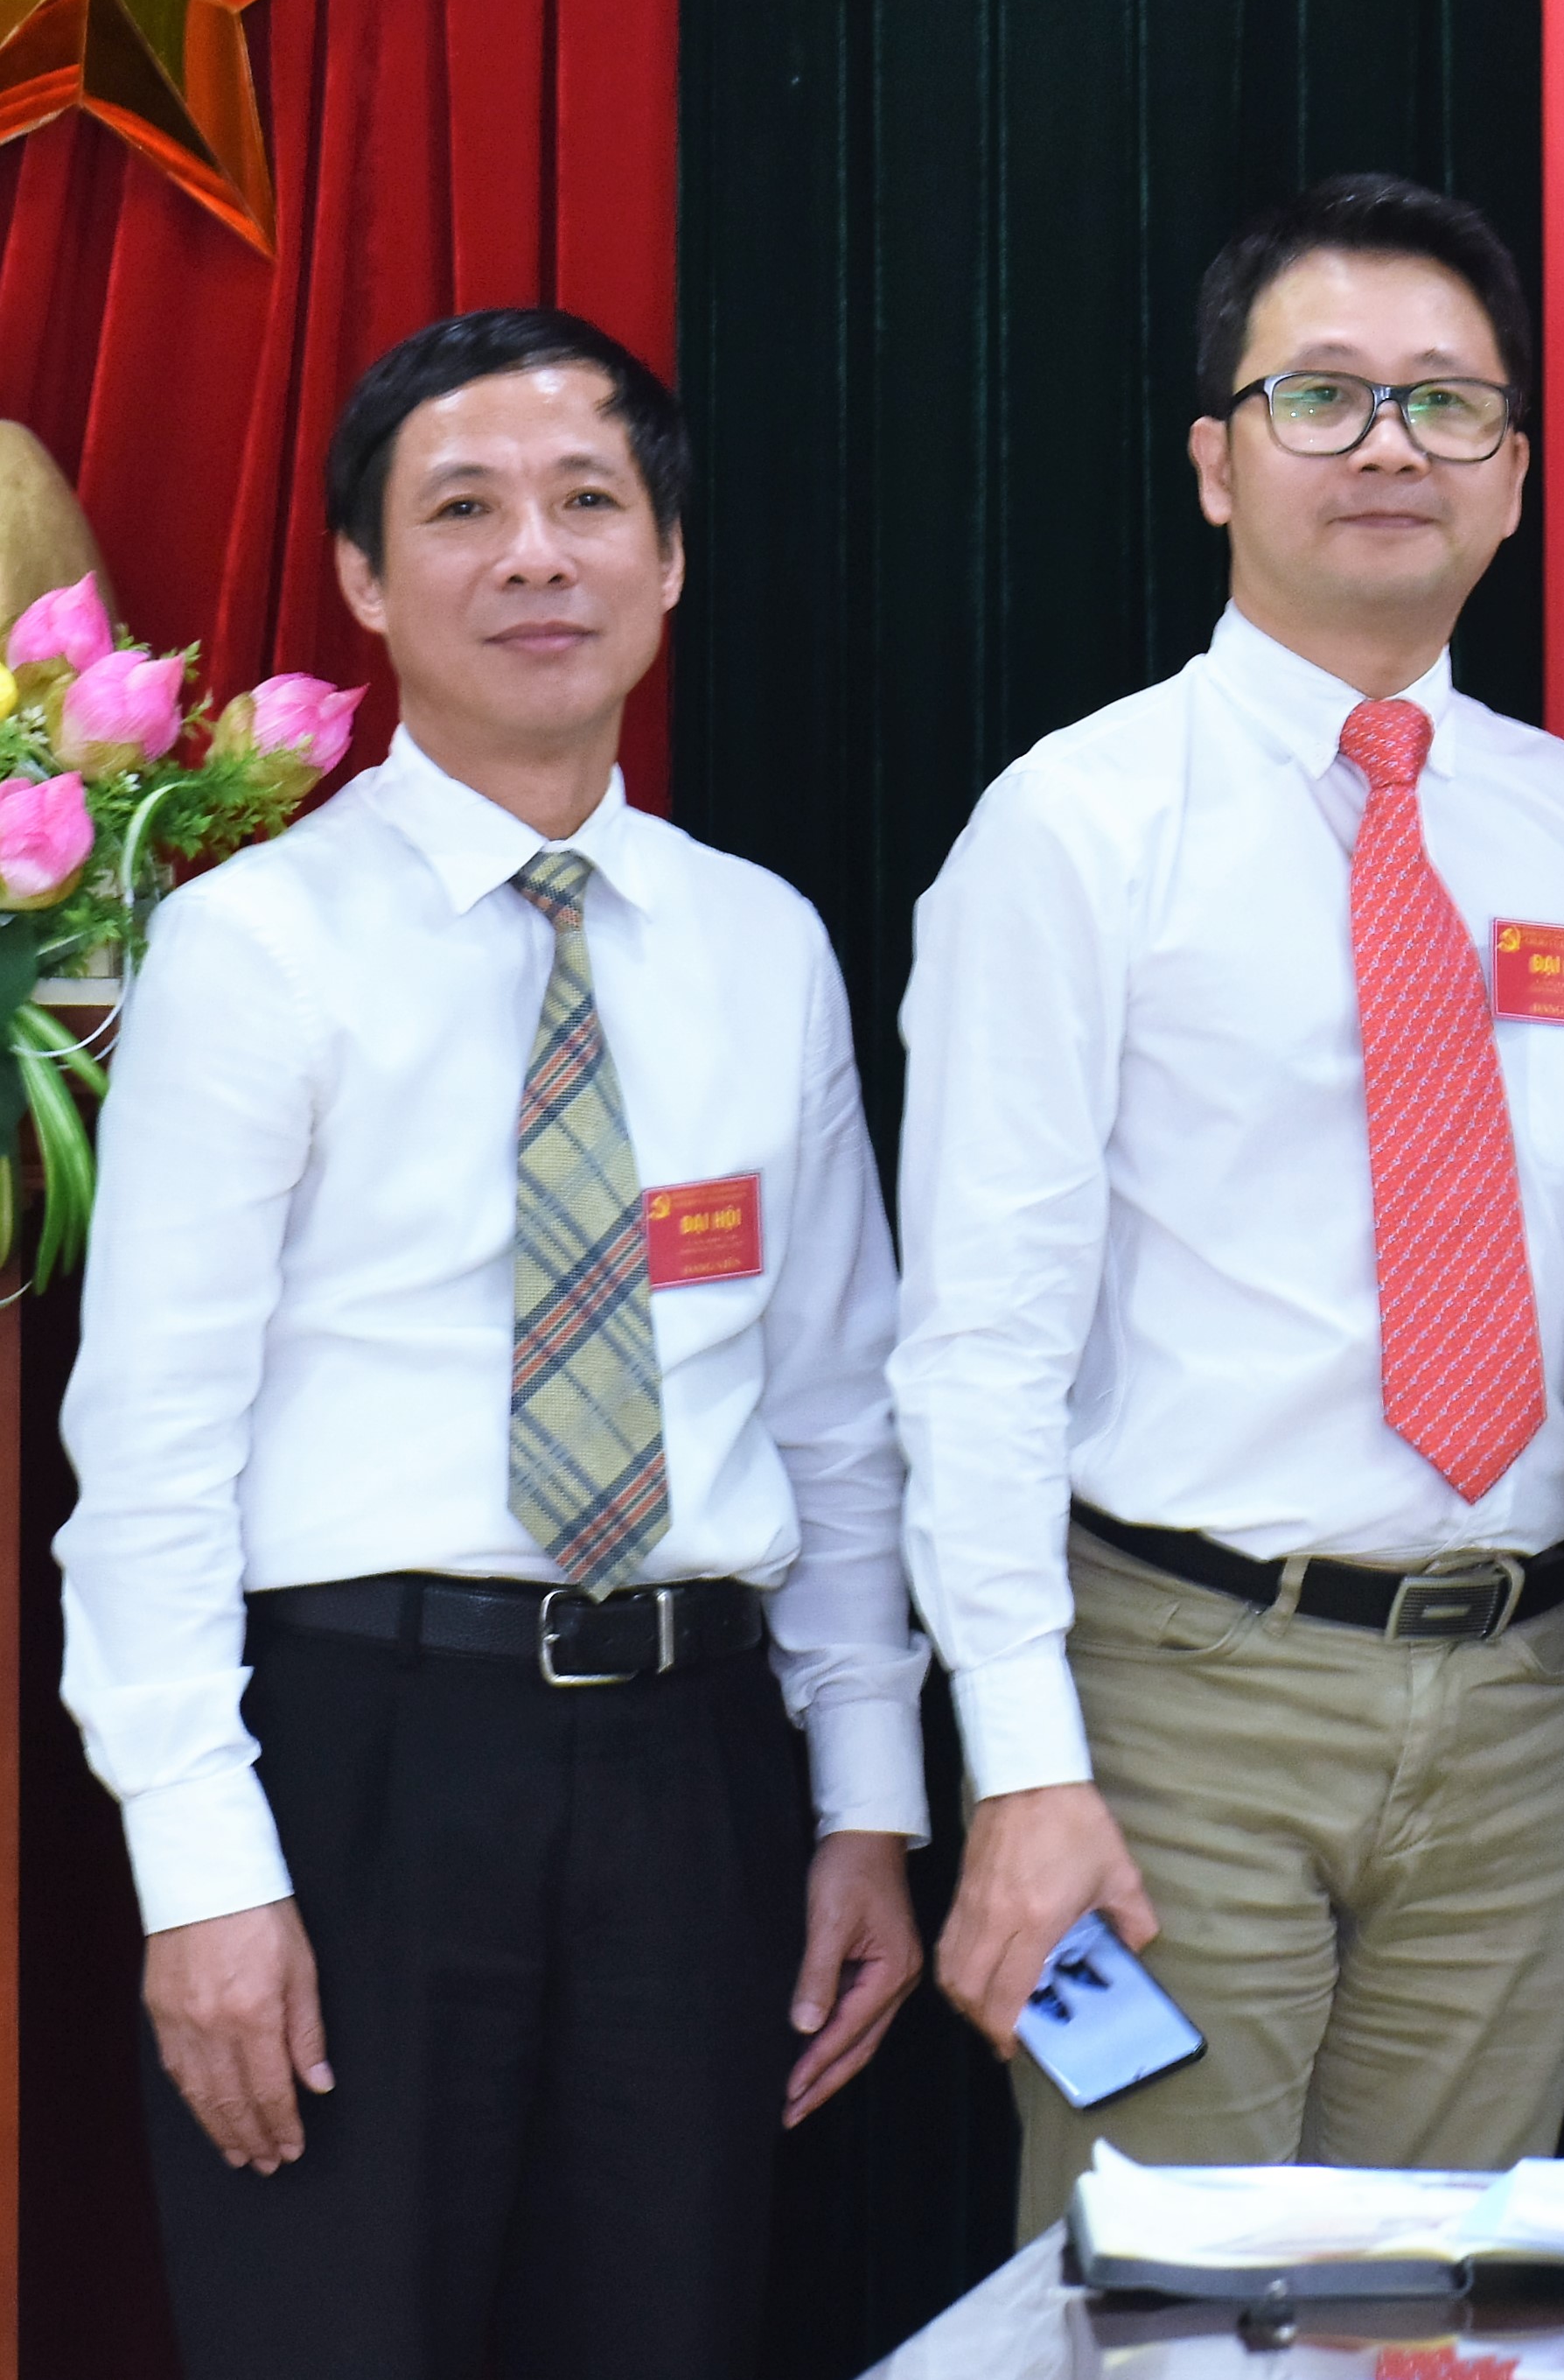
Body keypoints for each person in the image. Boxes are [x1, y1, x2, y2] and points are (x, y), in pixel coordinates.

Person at [58, 309, 927, 2376]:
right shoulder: (254, 948)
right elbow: (153, 1451)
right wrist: (200, 1871)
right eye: (462, 509)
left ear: (669, 559)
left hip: (694, 1772)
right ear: (363, 580)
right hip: (360, 1768)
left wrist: (868, 1802)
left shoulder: (760, 940)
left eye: (587, 501)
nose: (535, 552)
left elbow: (833, 1411)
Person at [888, 176, 1564, 2236]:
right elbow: (976, 1346)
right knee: (1164, 2305)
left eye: (1447, 401)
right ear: (1213, 462)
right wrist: (1025, 1766)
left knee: (1448, 2314)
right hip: (1176, 1709)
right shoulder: (1073, 826)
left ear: (1515, 476)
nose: (1389, 445)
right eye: (1322, 394)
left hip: (1523, 1715)